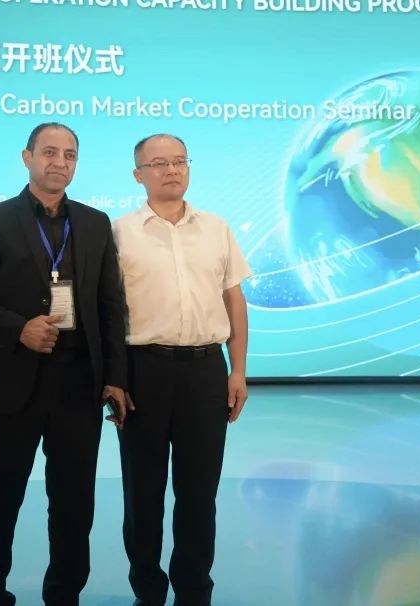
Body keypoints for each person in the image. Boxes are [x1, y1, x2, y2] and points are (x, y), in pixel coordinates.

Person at [0, 122, 129, 606]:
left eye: (69, 154)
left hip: (79, 384)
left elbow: (110, 306)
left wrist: (116, 377)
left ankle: (64, 594)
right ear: (27, 157)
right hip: (14, 380)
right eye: (49, 152)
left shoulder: (94, 223)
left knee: (74, 504)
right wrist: (18, 328)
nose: (60, 162)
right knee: (0, 498)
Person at [112, 134, 251, 606]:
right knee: (143, 492)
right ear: (139, 175)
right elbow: (108, 311)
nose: (171, 170)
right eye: (159, 163)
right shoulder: (119, 232)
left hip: (205, 371)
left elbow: (234, 299)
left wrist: (238, 371)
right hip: (143, 372)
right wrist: (114, 378)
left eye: (179, 161)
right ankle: (147, 590)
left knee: (199, 492)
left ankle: (194, 589)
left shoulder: (216, 228)